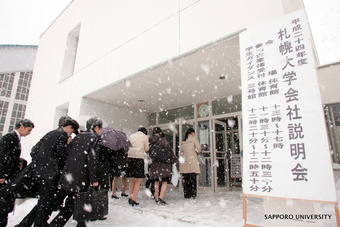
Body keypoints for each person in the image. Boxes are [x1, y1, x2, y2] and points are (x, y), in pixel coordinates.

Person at [16, 117, 79, 227]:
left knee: (42, 202)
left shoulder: (50, 133)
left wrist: (41, 163)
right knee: (45, 203)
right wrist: (68, 145)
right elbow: (62, 153)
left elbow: (34, 150)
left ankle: (25, 224)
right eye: (71, 132)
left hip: (39, 172)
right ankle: (39, 224)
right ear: (69, 127)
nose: (71, 134)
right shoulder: (63, 135)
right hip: (50, 174)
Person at [49, 117, 103, 227]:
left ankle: (79, 224)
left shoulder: (78, 136)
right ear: (96, 127)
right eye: (100, 128)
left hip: (69, 174)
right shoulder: (95, 138)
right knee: (75, 204)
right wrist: (94, 179)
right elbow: (92, 159)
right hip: (81, 177)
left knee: (75, 203)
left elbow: (68, 153)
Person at [0, 119, 34, 226]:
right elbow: (3, 157)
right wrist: (2, 175)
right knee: (3, 203)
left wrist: (19, 161)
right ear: (21, 127)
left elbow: (9, 157)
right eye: (28, 130)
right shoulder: (9, 138)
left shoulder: (13, 138)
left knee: (4, 203)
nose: (29, 133)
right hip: (4, 176)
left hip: (7, 175)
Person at [149, 127, 176, 205]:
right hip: (164, 164)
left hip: (155, 164)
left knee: (156, 181)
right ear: (160, 132)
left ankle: (157, 197)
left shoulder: (151, 141)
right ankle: (161, 197)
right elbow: (170, 151)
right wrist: (174, 160)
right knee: (164, 181)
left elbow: (149, 153)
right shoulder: (163, 140)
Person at [125, 127, 149, 206]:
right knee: (138, 180)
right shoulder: (145, 137)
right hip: (139, 158)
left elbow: (128, 146)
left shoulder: (132, 136)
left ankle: (130, 196)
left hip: (131, 158)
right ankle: (134, 199)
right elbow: (146, 148)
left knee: (132, 179)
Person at [179, 127, 202, 199]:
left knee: (186, 178)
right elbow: (199, 149)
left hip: (184, 160)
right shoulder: (194, 139)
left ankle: (186, 194)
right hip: (192, 159)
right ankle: (193, 194)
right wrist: (195, 152)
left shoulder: (183, 141)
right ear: (192, 133)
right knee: (192, 178)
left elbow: (182, 150)